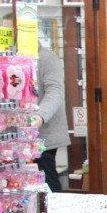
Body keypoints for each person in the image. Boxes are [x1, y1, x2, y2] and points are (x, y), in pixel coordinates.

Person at [35, 44, 70, 192]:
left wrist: (39, 116)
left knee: (47, 181)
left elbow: (55, 91)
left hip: (43, 134)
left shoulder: (47, 59)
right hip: (16, 136)